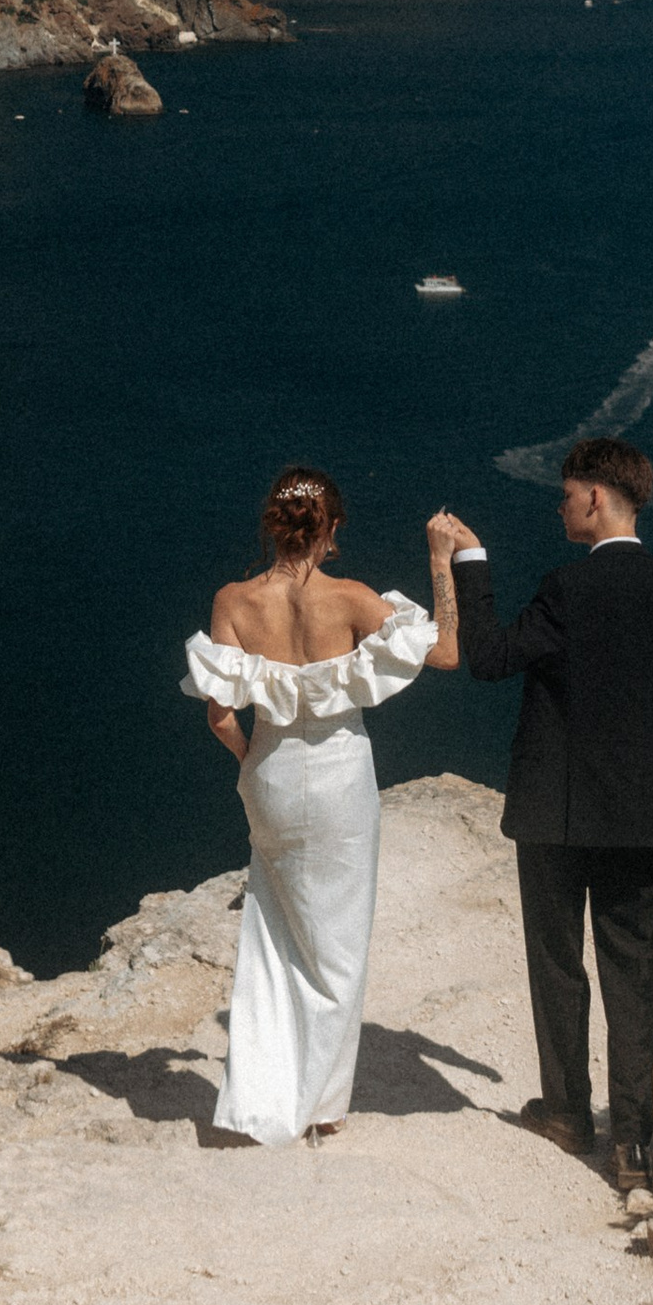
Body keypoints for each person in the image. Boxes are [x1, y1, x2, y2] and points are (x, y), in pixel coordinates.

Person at [434, 436, 653, 1193]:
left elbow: (491, 657)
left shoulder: (565, 590)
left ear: (596, 497)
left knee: (558, 969)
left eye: (565, 494)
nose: (559, 505)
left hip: (556, 819)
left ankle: (567, 1113)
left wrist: (472, 560)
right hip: (646, 820)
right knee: (636, 979)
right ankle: (632, 1147)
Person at [182, 467, 461, 1145]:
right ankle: (322, 1108)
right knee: (337, 947)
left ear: (273, 525)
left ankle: (262, 1099)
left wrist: (253, 764)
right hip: (339, 776)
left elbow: (221, 716)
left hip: (272, 772)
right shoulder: (351, 600)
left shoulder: (234, 601)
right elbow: (447, 652)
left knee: (275, 936)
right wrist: (439, 561)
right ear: (333, 529)